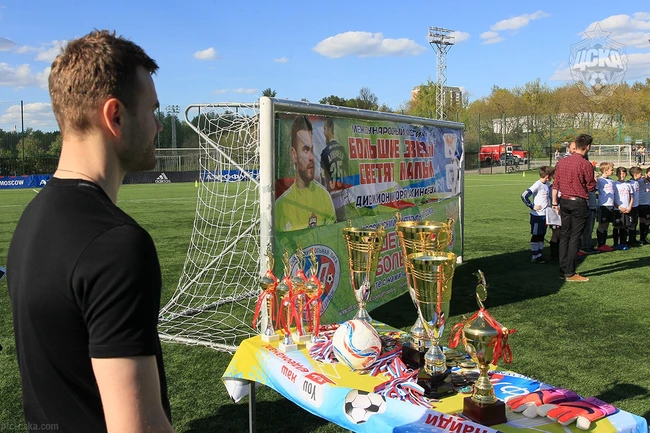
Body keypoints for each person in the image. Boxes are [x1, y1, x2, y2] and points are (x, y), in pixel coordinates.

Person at [6, 30, 174, 433]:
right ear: (115, 116)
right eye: (152, 110)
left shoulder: (30, 220)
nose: (157, 125)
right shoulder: (117, 246)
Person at [275, 115, 337, 231]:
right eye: (305, 150)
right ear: (294, 155)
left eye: (312, 150)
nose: (311, 157)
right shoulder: (280, 206)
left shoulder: (324, 197)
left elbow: (332, 236)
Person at [551, 134, 596, 282]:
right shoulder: (585, 164)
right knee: (575, 237)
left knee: (565, 235)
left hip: (564, 201)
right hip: (578, 202)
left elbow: (556, 183)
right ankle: (570, 272)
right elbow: (591, 186)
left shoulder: (562, 162)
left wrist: (554, 202)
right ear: (588, 147)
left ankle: (563, 269)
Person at [521, 166, 555, 263]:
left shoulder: (547, 184)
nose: (552, 177)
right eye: (551, 175)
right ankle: (535, 255)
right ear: (547, 176)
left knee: (542, 235)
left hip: (545, 215)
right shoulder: (537, 184)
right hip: (537, 216)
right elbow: (524, 195)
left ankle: (539, 254)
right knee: (536, 235)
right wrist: (532, 206)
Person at [320, 117, 350, 221]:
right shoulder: (342, 149)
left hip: (331, 198)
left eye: (325, 129)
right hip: (343, 196)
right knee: (343, 221)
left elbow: (322, 178)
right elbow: (347, 171)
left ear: (330, 130)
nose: (323, 132)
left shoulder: (325, 153)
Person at [595, 162, 616, 252]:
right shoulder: (600, 180)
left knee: (606, 225)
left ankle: (604, 243)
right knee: (602, 224)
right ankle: (600, 244)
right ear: (605, 171)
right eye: (611, 170)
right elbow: (594, 190)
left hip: (611, 205)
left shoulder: (611, 180)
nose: (613, 171)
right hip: (603, 205)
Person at [612, 166, 632, 250]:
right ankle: (615, 243)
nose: (622, 175)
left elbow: (631, 197)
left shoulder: (628, 184)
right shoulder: (614, 184)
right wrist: (619, 207)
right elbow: (612, 198)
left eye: (623, 173)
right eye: (620, 173)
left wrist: (629, 207)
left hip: (627, 209)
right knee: (617, 226)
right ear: (617, 174)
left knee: (624, 226)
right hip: (618, 210)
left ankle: (623, 243)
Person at [627, 166, 643, 246]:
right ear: (635, 174)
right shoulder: (630, 183)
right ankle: (630, 240)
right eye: (640, 174)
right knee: (631, 224)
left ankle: (633, 239)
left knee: (635, 223)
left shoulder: (637, 182)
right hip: (632, 207)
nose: (641, 175)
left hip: (636, 206)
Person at [638, 167, 650, 244]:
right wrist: (642, 178)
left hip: (649, 204)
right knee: (642, 220)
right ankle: (642, 238)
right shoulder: (641, 181)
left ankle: (644, 238)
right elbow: (632, 181)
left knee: (648, 221)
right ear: (646, 174)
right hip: (642, 204)